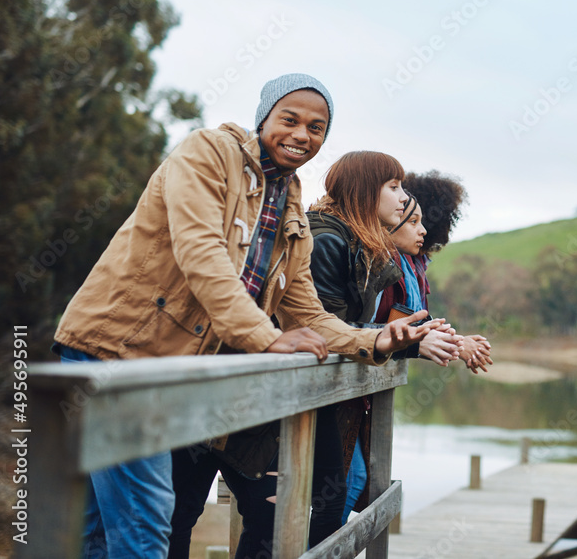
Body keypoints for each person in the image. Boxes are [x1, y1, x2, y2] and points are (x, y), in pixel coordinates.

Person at [50, 72, 437, 559]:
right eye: (289, 120)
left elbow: (307, 311)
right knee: (146, 521)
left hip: (165, 372)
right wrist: (264, 336)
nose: (301, 135)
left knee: (100, 531)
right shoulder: (207, 153)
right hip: (113, 353)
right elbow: (200, 251)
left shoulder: (290, 204)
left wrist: (378, 340)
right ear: (264, 117)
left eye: (316, 128)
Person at [303, 151, 463, 543]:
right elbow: (327, 325)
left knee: (345, 484)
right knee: (316, 492)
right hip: (313, 389)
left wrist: (420, 338)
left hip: (339, 387)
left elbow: (367, 324)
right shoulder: (330, 240)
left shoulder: (362, 247)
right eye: (394, 187)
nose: (404, 198)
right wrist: (410, 343)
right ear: (364, 191)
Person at [377, 171, 494, 372]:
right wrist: (456, 343)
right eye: (413, 221)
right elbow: (387, 324)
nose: (422, 230)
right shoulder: (390, 261)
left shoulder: (413, 262)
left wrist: (454, 341)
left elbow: (408, 321)